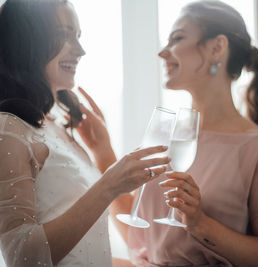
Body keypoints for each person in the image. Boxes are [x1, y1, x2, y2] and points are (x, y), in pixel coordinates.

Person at [110, 1, 258, 266]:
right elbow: (147, 240)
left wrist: (199, 224)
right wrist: (101, 150)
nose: (163, 53)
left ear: (216, 47)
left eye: (177, 38)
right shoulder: (165, 135)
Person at [0, 0, 169, 266]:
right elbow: (21, 256)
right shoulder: (9, 128)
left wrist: (102, 152)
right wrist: (108, 186)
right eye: (63, 34)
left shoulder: (54, 127)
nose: (80, 50)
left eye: (78, 36)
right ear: (26, 40)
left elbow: (85, 250)